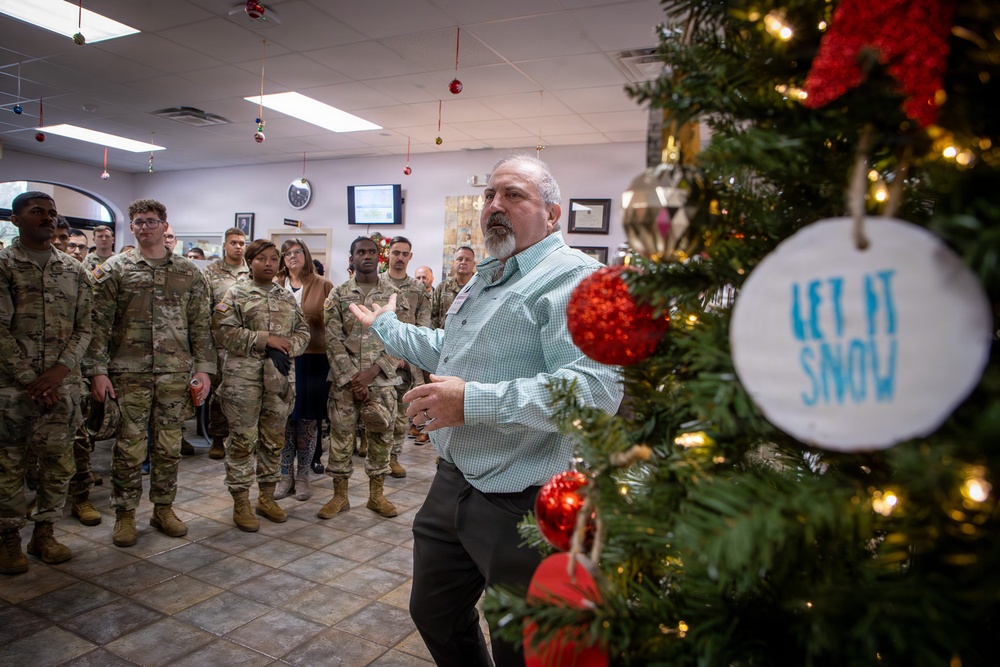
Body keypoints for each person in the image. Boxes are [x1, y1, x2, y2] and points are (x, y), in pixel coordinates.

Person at [349, 154, 624, 666]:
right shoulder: (487, 275)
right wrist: (387, 327)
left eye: (514, 195)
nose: (496, 205)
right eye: (490, 196)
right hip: (454, 481)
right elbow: (454, 352)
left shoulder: (578, 280)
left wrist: (470, 402)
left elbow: (593, 390)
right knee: (434, 611)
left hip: (523, 496)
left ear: (553, 213)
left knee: (518, 643)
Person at [86, 198, 215, 548]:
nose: (144, 227)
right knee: (129, 449)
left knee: (169, 446)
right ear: (131, 227)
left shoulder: (189, 272)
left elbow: (201, 326)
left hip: (174, 373)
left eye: (151, 221)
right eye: (138, 222)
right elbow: (98, 326)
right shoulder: (115, 269)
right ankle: (125, 513)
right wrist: (97, 371)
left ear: (164, 225)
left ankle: (163, 508)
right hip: (128, 372)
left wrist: (204, 370)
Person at [0, 191, 92, 575]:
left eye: (52, 213)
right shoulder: (4, 264)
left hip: (62, 386)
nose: (48, 218)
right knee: (9, 465)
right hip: (11, 388)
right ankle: (7, 538)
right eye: (37, 212)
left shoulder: (73, 269)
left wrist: (60, 372)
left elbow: (86, 327)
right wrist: (30, 379)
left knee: (58, 463)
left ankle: (45, 533)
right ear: (16, 219)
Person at [212, 239, 310, 532]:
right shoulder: (236, 293)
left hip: (278, 380)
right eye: (261, 259)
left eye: (273, 259)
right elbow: (223, 332)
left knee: (273, 440)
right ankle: (241, 502)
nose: (269, 264)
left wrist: (288, 347)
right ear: (250, 262)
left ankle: (266, 498)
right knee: (243, 442)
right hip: (243, 380)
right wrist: (265, 340)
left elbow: (302, 330)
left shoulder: (285, 296)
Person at [317, 236, 401, 520]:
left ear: (380, 257)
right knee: (341, 438)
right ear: (351, 258)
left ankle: (376, 496)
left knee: (380, 436)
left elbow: (402, 340)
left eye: (372, 251)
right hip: (344, 382)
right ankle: (339, 497)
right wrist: (353, 377)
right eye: (360, 252)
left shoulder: (393, 295)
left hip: (381, 380)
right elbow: (332, 339)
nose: (366, 255)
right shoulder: (339, 294)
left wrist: (372, 372)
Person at [273, 239, 333, 501]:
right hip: (282, 359)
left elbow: (332, 323)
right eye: (287, 253)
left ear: (306, 254)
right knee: (285, 419)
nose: (292, 256)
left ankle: (303, 476)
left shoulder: (322, 284)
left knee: (307, 420)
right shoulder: (275, 284)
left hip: (312, 359)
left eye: (297, 251)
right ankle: (284, 475)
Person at [379, 236, 431, 477]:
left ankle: (394, 456)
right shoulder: (377, 284)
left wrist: (408, 351)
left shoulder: (418, 289)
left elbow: (423, 325)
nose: (400, 258)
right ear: (388, 254)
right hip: (378, 361)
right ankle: (377, 457)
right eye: (396, 252)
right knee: (379, 411)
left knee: (402, 412)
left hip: (407, 361)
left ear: (410, 256)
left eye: (404, 254)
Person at [202, 228, 250, 459]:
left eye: (242, 243)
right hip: (219, 343)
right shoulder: (211, 273)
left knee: (243, 392)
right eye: (234, 243)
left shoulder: (251, 270)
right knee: (220, 392)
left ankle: (241, 437)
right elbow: (204, 309)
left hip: (245, 343)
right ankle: (218, 438)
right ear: (225, 245)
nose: (239, 247)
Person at [431, 245, 475, 329]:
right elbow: (433, 316)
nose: (463, 262)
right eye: (459, 259)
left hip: (471, 338)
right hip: (445, 338)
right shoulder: (442, 287)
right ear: (453, 262)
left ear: (474, 264)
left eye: (468, 260)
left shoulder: (481, 287)